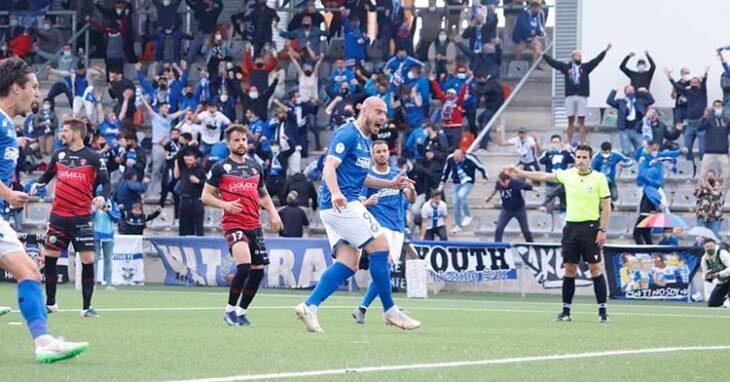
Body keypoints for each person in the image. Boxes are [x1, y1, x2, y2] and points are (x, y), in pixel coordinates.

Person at [294, 97, 420, 333]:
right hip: (342, 205)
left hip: (337, 208)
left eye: (386, 114)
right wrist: (335, 193)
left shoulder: (365, 141)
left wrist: (391, 184)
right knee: (381, 246)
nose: (383, 118)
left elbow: (360, 178)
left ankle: (310, 305)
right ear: (365, 110)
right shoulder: (348, 133)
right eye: (379, 112)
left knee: (349, 262)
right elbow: (329, 166)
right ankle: (390, 310)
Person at [0, 57, 89, 363]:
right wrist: (8, 193)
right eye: (34, 86)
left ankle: (44, 341)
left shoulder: (7, 125)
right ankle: (44, 341)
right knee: (29, 272)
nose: (38, 93)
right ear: (16, 88)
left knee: (29, 272)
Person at [505, 144, 612, 323]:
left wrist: (602, 229)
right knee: (569, 269)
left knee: (595, 268)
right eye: (578, 157)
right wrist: (520, 173)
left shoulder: (599, 178)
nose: (581, 160)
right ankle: (566, 312)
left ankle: (602, 312)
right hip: (571, 228)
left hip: (590, 228)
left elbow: (607, 207)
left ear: (590, 159)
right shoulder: (568, 174)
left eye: (584, 157)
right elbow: (543, 175)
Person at [30, 118, 111, 319]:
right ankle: (51, 303)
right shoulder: (59, 154)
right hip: (58, 217)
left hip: (82, 218)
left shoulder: (93, 157)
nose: (61, 134)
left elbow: (106, 182)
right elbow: (48, 175)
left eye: (65, 130)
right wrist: (37, 184)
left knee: (87, 260)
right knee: (49, 259)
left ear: (76, 133)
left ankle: (87, 307)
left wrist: (103, 196)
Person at [203, 125, 283, 326]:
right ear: (228, 143)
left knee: (258, 271)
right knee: (245, 266)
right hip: (233, 224)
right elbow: (205, 196)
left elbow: (263, 196)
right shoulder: (220, 167)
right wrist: (225, 205)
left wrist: (274, 214)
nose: (241, 143)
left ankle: (241, 312)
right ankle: (229, 310)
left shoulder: (255, 167)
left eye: (244, 140)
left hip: (254, 224)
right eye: (236, 140)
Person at [352, 140, 417, 324]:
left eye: (384, 151)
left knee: (385, 271)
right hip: (380, 228)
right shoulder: (369, 177)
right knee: (384, 267)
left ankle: (364, 309)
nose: (381, 154)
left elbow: (411, 199)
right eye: (378, 151)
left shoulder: (398, 174)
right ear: (373, 155)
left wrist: (411, 189)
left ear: (389, 153)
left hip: (398, 227)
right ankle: (386, 309)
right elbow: (359, 203)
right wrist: (369, 202)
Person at [543, 44, 612, 144]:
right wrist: (544, 55)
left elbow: (596, 60)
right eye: (577, 56)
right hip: (570, 96)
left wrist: (605, 50)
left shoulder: (585, 67)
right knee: (570, 120)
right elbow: (554, 63)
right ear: (573, 57)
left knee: (581, 120)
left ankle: (582, 142)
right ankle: (569, 142)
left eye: (580, 56)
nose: (579, 57)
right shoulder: (566, 67)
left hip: (582, 96)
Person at [665, 66, 710, 160]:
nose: (694, 83)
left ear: (699, 84)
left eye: (696, 82)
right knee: (687, 148)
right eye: (693, 82)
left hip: (700, 123)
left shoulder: (702, 92)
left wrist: (705, 73)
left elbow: (704, 82)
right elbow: (677, 87)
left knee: (702, 149)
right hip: (690, 124)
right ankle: (690, 167)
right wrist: (669, 76)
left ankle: (702, 167)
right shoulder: (688, 92)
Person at [441, 149, 488, 233]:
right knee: (455, 203)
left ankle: (468, 215)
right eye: (455, 158)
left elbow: (481, 167)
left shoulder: (470, 158)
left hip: (468, 181)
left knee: (461, 195)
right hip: (456, 182)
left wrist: (485, 177)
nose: (455, 160)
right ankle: (458, 225)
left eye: (457, 158)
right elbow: (446, 169)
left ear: (462, 157)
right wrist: (443, 180)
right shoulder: (450, 158)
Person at [485, 172, 536, 243]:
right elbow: (496, 188)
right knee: (499, 228)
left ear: (507, 180)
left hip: (519, 210)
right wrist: (490, 197)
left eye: (503, 182)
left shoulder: (515, 183)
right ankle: (497, 245)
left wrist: (536, 189)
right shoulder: (499, 183)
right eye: (500, 182)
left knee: (525, 230)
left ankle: (531, 244)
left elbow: (526, 186)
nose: (502, 184)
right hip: (506, 210)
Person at [606, 85, 654, 156]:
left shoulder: (640, 101)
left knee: (641, 151)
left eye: (632, 90)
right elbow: (609, 101)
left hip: (637, 129)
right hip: (625, 129)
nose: (630, 92)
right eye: (628, 90)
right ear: (625, 92)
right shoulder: (621, 102)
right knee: (626, 152)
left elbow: (651, 101)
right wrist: (614, 91)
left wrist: (645, 91)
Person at [175, 150, 206, 236]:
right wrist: (188, 146)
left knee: (198, 225)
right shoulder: (184, 168)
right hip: (184, 199)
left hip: (196, 200)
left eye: (190, 159)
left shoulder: (201, 170)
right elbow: (178, 155)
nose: (188, 161)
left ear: (195, 159)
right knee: (183, 225)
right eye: (186, 159)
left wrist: (198, 181)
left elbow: (207, 184)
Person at [92, 197, 119, 289]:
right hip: (95, 234)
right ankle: (93, 283)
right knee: (94, 260)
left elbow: (117, 218)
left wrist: (108, 211)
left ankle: (108, 283)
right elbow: (87, 216)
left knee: (108, 260)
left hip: (108, 234)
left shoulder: (112, 203)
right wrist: (95, 209)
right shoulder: (92, 202)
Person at [701, 238, 730, 307]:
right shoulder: (704, 259)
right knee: (712, 303)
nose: (709, 248)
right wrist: (707, 276)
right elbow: (704, 272)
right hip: (722, 281)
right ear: (704, 247)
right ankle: (726, 299)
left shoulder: (722, 253)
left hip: (727, 277)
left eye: (711, 246)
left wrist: (719, 274)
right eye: (707, 247)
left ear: (715, 246)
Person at [694, 170, 723, 239]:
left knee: (714, 237)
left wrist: (708, 186)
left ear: (715, 177)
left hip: (715, 216)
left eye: (711, 176)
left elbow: (716, 195)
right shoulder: (702, 186)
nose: (709, 178)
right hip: (702, 215)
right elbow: (696, 194)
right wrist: (701, 187)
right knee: (701, 238)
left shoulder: (719, 186)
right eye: (708, 176)